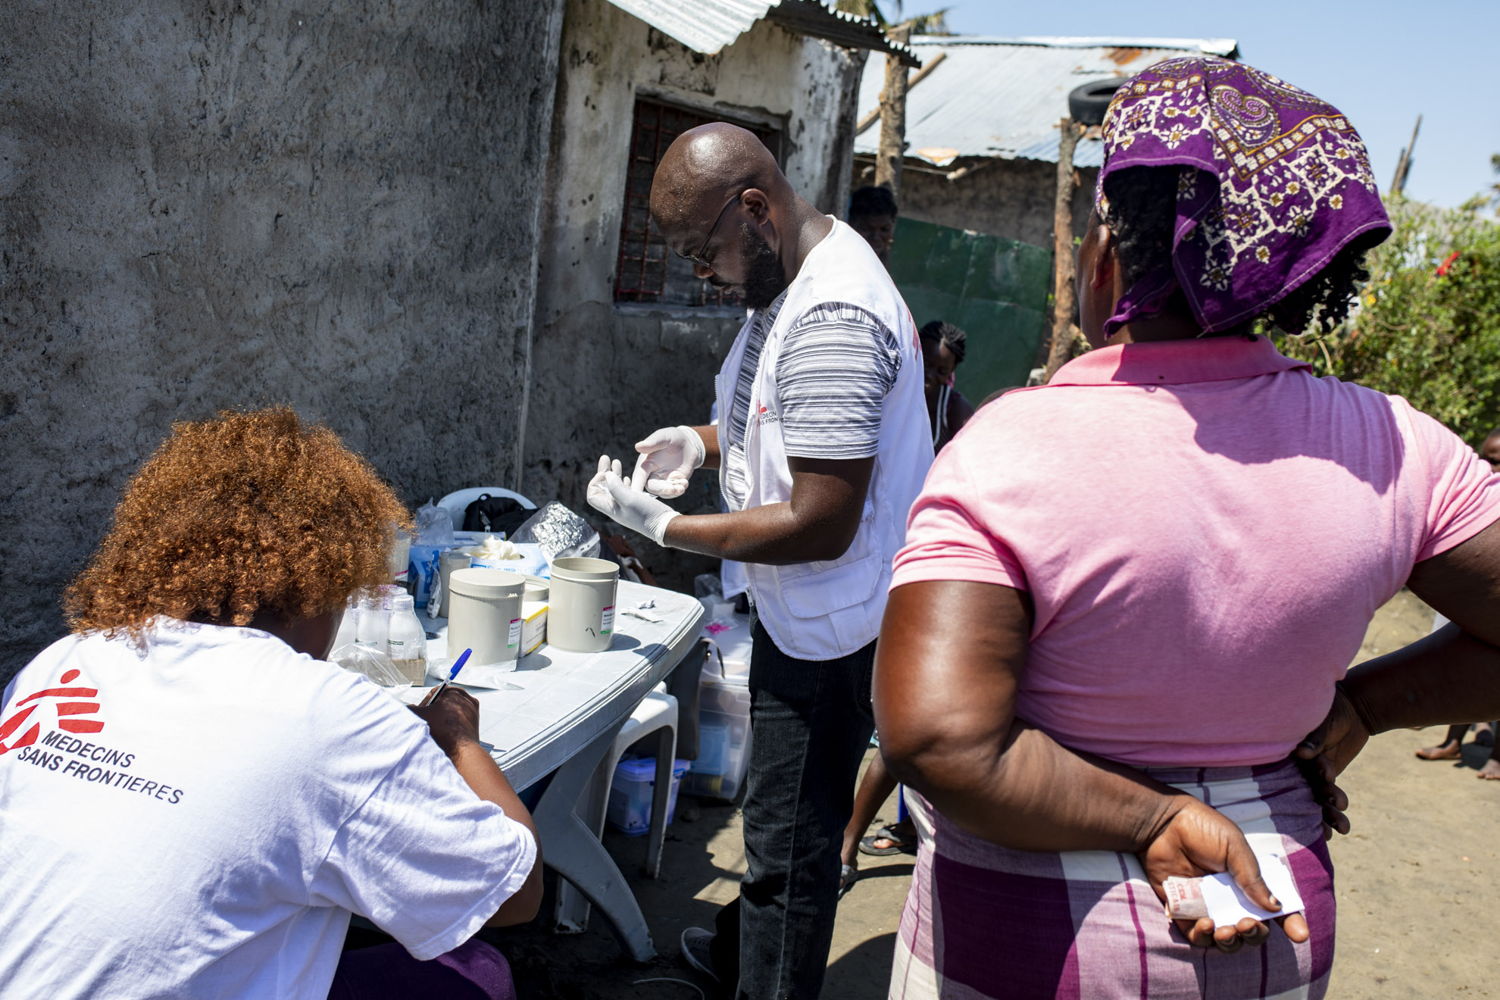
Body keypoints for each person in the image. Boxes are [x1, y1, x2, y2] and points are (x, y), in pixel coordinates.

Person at [873, 56, 1500, 999]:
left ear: (1106, 256)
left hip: (1027, 922)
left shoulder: (1011, 445)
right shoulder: (1395, 444)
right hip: (1270, 908)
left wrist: (1148, 820)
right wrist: (1366, 704)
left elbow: (938, 740)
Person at [0, 408, 542, 999]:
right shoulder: (329, 715)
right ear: (328, 582)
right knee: (479, 974)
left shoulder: (68, 659)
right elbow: (514, 894)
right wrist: (458, 735)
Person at [585, 122, 932, 998]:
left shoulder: (834, 317)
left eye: (706, 253)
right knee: (786, 821)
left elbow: (822, 521)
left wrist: (667, 532)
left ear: (755, 209)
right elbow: (785, 422)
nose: (703, 275)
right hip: (802, 609)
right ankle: (747, 954)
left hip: (834, 625)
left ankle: (766, 979)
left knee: (788, 849)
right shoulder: (791, 278)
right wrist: (700, 445)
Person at [837, 320, 978, 887]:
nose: (936, 380)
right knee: (899, 718)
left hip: (927, 558)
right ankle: (857, 840)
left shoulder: (955, 412)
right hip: (879, 550)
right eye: (933, 369)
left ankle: (864, 839)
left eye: (946, 373)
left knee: (907, 718)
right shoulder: (887, 389)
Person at [1415, 426, 1500, 779]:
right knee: (1455, 663)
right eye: (1489, 460)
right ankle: (1453, 740)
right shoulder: (1475, 493)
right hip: (1468, 600)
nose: (1493, 469)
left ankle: (1496, 755)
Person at [919, 320, 976, 450]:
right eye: (927, 364)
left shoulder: (955, 409)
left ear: (951, 371)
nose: (930, 375)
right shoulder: (893, 391)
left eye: (942, 371)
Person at [848, 184, 898, 267]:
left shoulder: (882, 262)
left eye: (884, 229)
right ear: (850, 224)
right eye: (866, 229)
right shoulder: (841, 260)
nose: (876, 237)